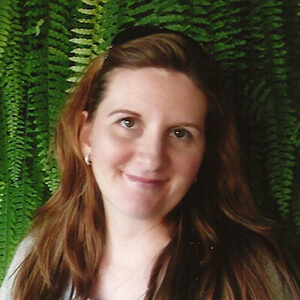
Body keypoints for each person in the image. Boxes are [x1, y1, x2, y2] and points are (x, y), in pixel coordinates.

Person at [0, 25, 299, 300]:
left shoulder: (250, 278)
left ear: (205, 152)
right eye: (128, 122)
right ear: (86, 135)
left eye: (180, 133)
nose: (152, 157)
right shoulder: (37, 260)